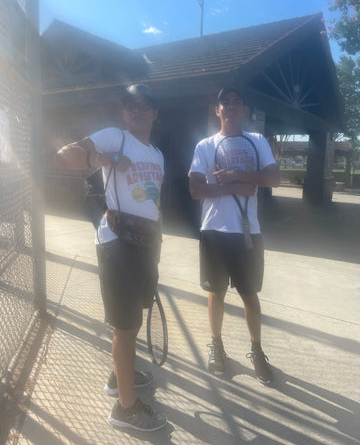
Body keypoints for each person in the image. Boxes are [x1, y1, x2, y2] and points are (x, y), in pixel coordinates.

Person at [54, 84, 167, 431]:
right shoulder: (113, 137)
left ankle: (121, 377)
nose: (136, 111)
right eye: (130, 106)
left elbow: (152, 201)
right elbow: (64, 155)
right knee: (125, 323)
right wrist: (106, 159)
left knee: (129, 320)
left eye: (143, 106)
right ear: (123, 113)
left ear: (154, 113)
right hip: (117, 242)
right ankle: (125, 408)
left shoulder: (158, 155)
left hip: (145, 243)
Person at [188, 85, 280, 384]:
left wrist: (236, 175)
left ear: (244, 110)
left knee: (249, 295)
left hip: (247, 232)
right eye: (224, 103)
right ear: (217, 110)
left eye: (236, 102)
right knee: (216, 293)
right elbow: (195, 189)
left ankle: (256, 349)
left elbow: (274, 178)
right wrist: (231, 187)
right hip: (214, 229)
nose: (230, 106)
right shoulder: (205, 145)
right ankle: (216, 345)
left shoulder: (256, 141)